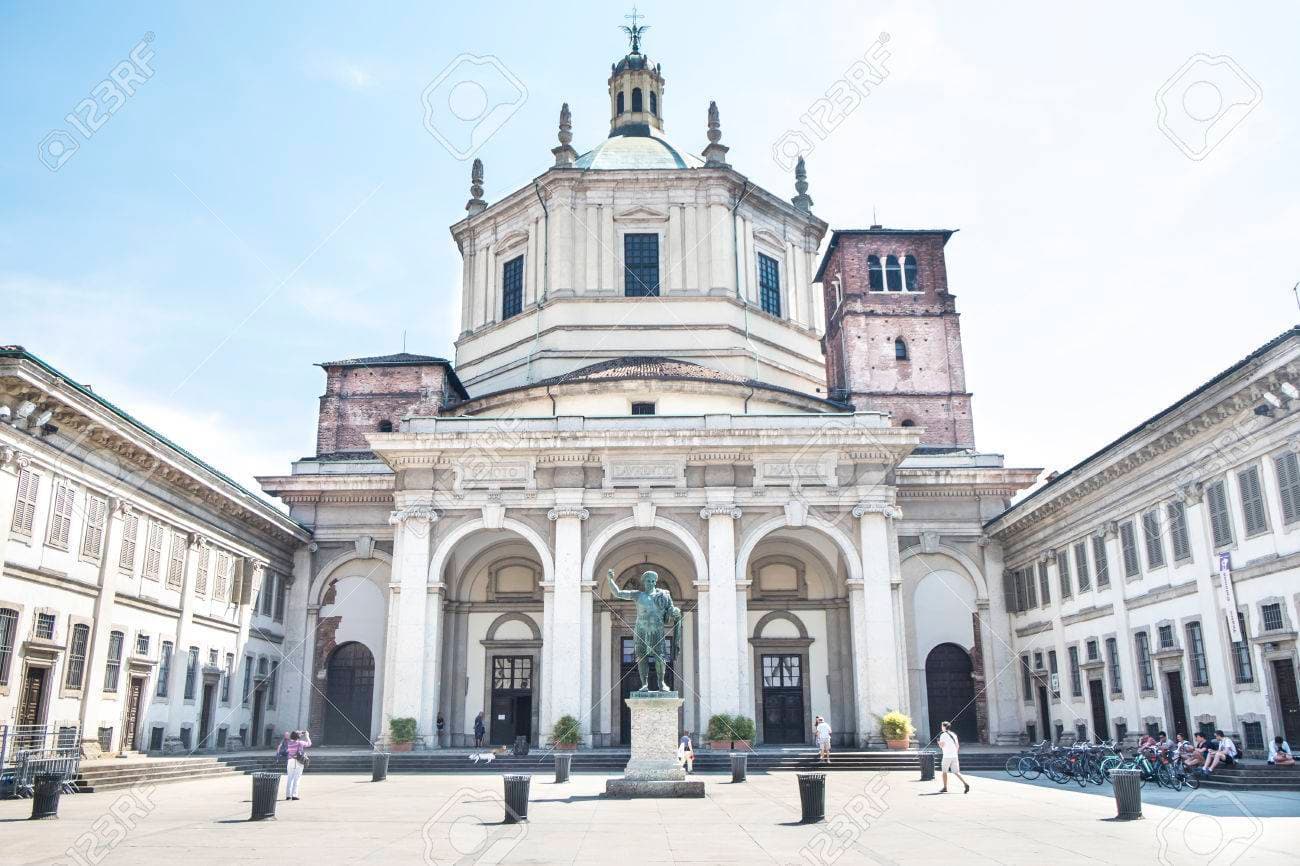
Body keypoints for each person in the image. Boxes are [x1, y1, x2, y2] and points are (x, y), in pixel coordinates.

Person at [937, 720, 970, 794]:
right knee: (956, 772)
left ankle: (945, 787)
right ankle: (965, 783)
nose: (941, 727)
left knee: (944, 772)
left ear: (944, 727)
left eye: (942, 726)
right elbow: (957, 746)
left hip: (947, 756)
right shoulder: (954, 734)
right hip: (954, 755)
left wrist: (939, 743)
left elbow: (942, 746)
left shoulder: (943, 735)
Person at [284, 729, 311, 800]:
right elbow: (309, 743)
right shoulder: (300, 743)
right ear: (298, 736)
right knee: (297, 778)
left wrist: (299, 734)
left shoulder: (289, 743)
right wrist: (307, 736)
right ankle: (294, 795)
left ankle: (288, 795)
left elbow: (294, 737)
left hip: (290, 761)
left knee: (290, 778)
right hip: (298, 762)